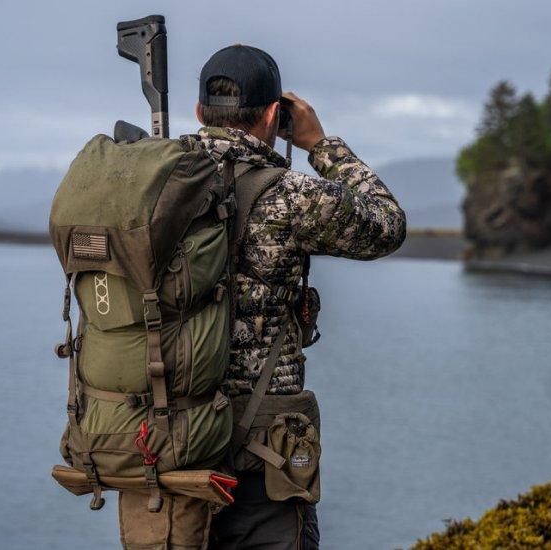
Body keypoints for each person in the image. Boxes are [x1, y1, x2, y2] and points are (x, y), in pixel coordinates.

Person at [118, 43, 406, 550]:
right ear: (276, 115)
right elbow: (386, 224)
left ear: (198, 113)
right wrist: (319, 143)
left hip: (164, 437)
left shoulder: (146, 185)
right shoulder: (291, 195)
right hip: (260, 454)